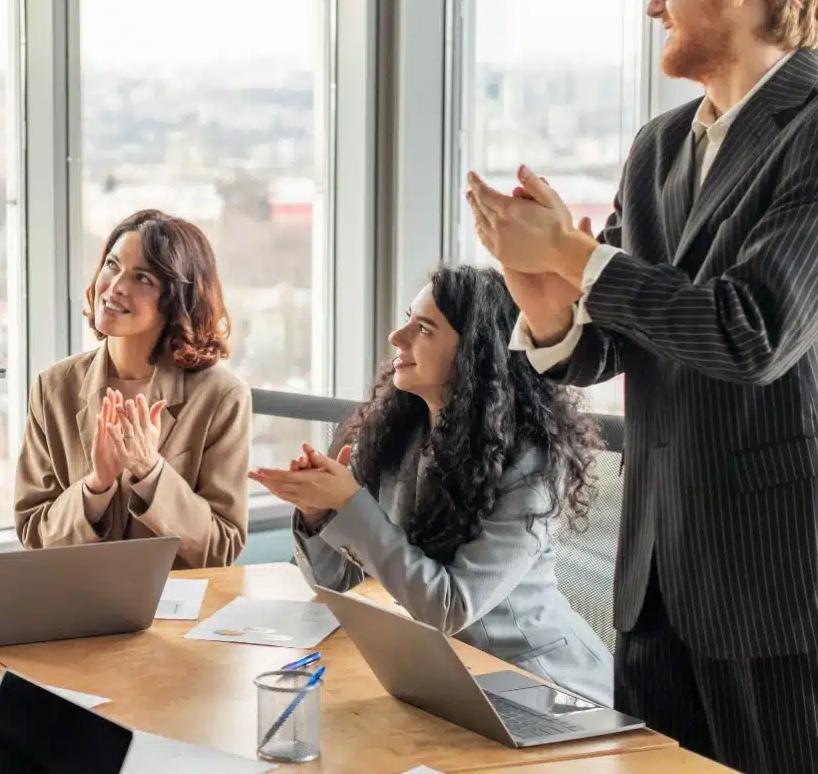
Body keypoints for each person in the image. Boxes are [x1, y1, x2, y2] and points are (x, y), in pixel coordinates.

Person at [464, 0, 818, 770]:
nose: (651, 3)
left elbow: (749, 333)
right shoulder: (660, 147)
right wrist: (541, 286)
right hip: (656, 585)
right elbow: (604, 342)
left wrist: (574, 253)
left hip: (780, 581)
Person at [251, 267, 612, 707]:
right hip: (446, 675)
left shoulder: (530, 463)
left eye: (423, 328)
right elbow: (336, 582)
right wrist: (318, 513)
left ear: (476, 353)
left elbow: (451, 607)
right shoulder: (397, 436)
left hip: (539, 685)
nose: (396, 337)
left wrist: (349, 503)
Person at [15, 210, 250, 568]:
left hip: (174, 613)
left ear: (177, 300)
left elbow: (221, 546)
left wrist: (150, 471)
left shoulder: (221, 397)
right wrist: (97, 485)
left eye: (142, 278)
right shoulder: (54, 387)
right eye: (112, 265)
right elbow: (33, 532)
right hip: (78, 606)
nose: (116, 286)